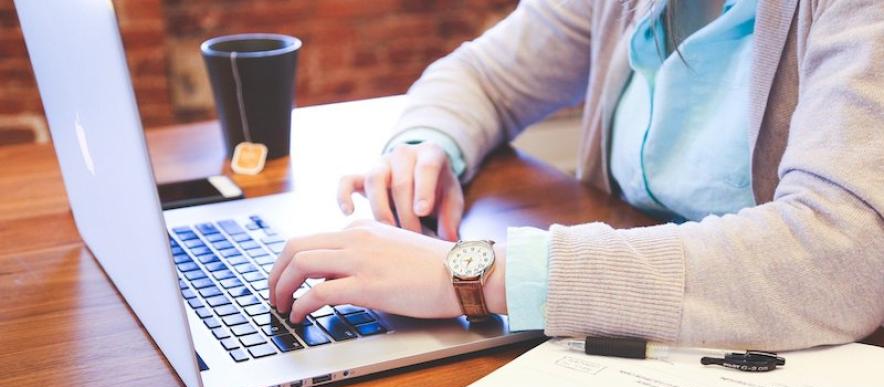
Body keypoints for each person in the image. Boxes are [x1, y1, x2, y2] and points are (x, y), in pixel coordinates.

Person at [268, 0, 884, 350]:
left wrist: (474, 275)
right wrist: (425, 146)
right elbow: (485, 75)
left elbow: (842, 253)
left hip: (802, 375)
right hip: (642, 350)